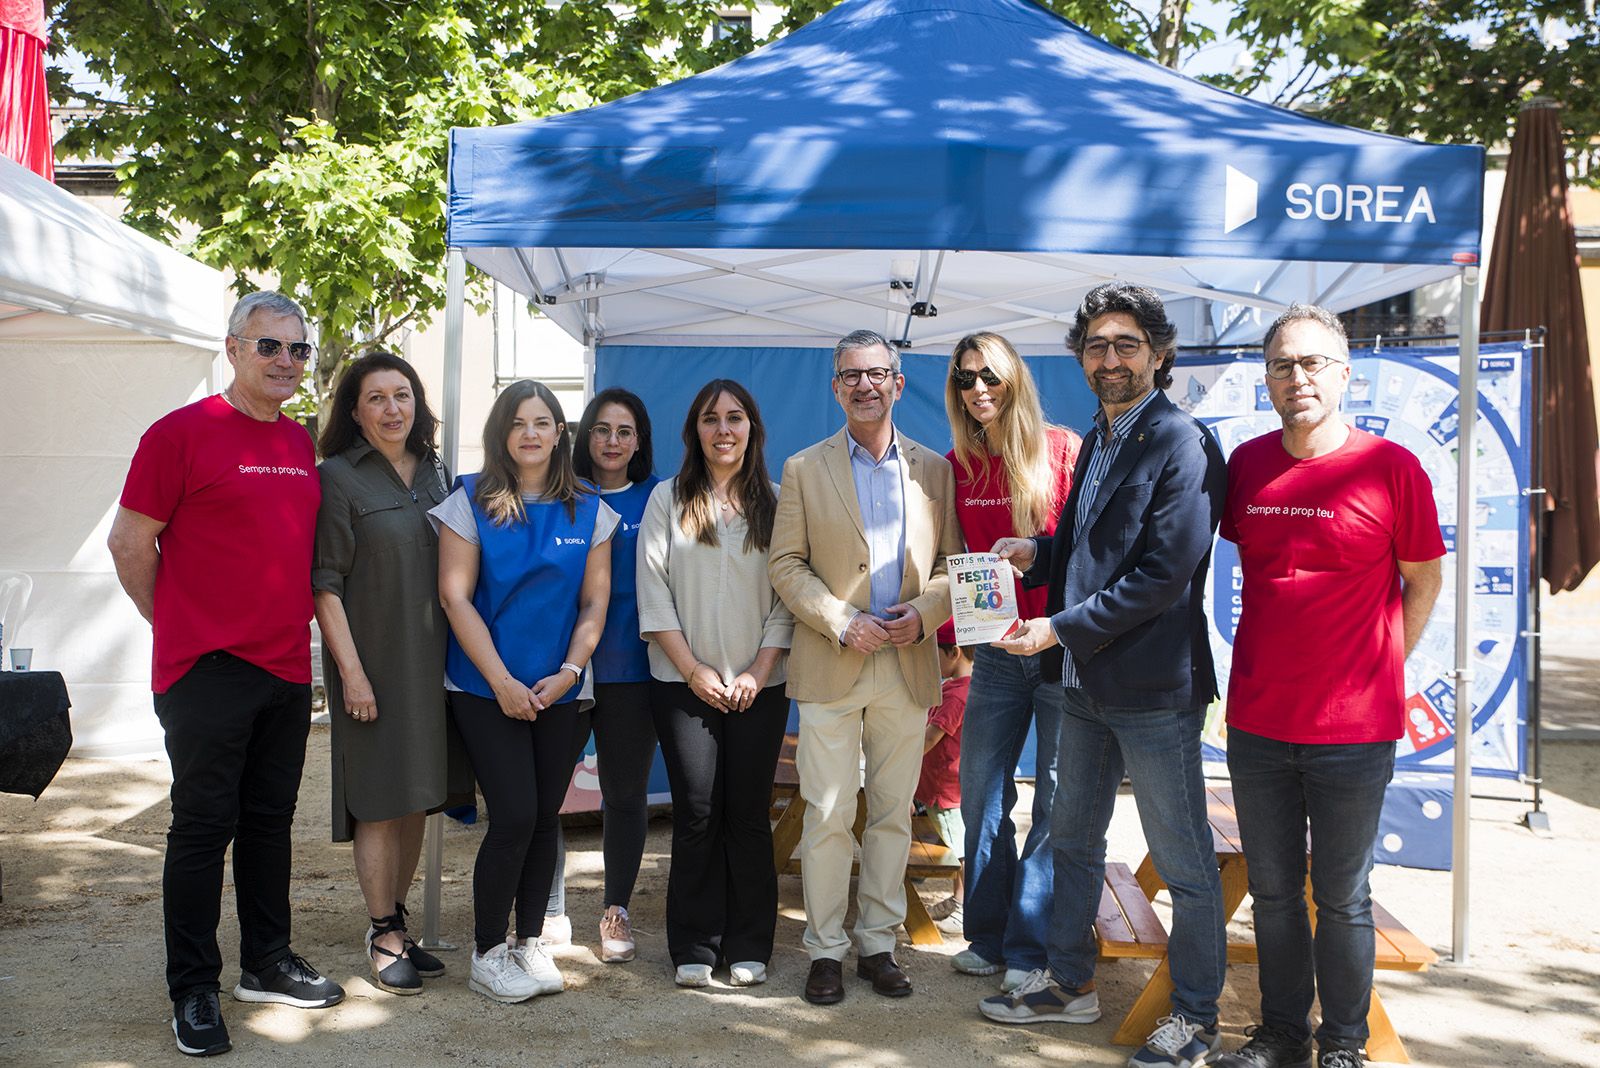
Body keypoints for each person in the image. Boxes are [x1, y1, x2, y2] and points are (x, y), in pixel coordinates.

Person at [987, 282, 1228, 1068]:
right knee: (1072, 844)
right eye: (1097, 345)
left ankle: (1194, 1019)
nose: (1111, 358)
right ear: (1082, 359)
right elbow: (1100, 546)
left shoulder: (1181, 441)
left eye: (1127, 344)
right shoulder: (1101, 434)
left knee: (1186, 862)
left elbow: (1162, 574)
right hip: (1082, 682)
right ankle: (1068, 983)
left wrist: (1055, 625)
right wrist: (1041, 552)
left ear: (1159, 354)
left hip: (1152, 689)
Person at [108, 290, 344, 1058]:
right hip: (206, 668)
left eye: (297, 349)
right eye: (269, 346)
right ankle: (194, 989)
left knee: (270, 824)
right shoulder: (181, 434)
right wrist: (175, 623)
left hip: (282, 667)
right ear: (234, 348)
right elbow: (129, 544)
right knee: (203, 829)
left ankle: (267, 964)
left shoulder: (302, 444)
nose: (285, 361)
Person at [1214, 306, 1444, 1068]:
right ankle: (1283, 1034)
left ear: (1346, 373)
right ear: (1267, 379)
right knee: (1275, 896)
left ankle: (1344, 1045)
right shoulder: (1245, 466)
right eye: (1283, 365)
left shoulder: (1392, 468)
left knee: (1342, 896)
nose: (1298, 377)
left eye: (1313, 363)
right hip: (1257, 722)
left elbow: (1423, 581)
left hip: (1353, 730)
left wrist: (1381, 665)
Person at [769, 328, 963, 1005]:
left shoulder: (935, 470)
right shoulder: (802, 468)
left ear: (898, 384)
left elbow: (951, 570)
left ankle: (878, 944)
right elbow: (784, 564)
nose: (865, 385)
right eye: (851, 375)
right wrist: (840, 620)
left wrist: (926, 612)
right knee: (825, 813)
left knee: (890, 816)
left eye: (877, 373)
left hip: (907, 664)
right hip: (833, 659)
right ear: (835, 387)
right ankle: (824, 949)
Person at [430, 380, 614, 1005]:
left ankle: (528, 941)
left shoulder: (591, 507)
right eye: (518, 423)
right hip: (485, 689)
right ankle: (486, 953)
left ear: (560, 432)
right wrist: (501, 682)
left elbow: (595, 601)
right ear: (500, 434)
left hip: (562, 687)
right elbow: (455, 596)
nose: (531, 433)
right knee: (511, 816)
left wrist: (569, 671)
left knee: (542, 818)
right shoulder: (469, 500)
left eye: (543, 422)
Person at [637, 378, 794, 988]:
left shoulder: (779, 503)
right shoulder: (665, 501)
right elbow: (654, 595)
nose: (723, 429)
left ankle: (751, 942)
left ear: (752, 427)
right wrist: (694, 669)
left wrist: (758, 671)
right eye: (710, 418)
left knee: (749, 813)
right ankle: (695, 946)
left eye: (734, 418)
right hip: (681, 685)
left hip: (763, 683)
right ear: (694, 430)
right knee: (699, 812)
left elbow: (788, 594)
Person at [312, 351, 460, 995]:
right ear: (355, 411)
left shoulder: (435, 470)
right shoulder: (336, 478)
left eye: (402, 395)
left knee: (418, 797)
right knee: (377, 800)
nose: (392, 409)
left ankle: (398, 920)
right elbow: (325, 585)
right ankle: (381, 932)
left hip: (435, 663)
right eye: (376, 398)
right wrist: (352, 674)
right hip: (371, 661)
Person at [939, 331, 1081, 991]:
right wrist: (955, 637)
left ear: (1014, 378)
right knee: (981, 795)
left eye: (990, 376)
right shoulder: (956, 463)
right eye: (966, 379)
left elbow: (1088, 552)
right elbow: (954, 564)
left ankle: (1030, 945)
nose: (978, 390)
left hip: (1056, 650)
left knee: (1054, 801)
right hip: (996, 655)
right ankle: (988, 936)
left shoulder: (1062, 449)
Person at [542, 388, 661, 962]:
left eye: (625, 432)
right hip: (562, 670)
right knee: (544, 793)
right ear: (583, 436)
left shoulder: (659, 499)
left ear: (639, 442)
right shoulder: (559, 497)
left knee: (624, 794)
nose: (612, 442)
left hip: (633, 673)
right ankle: (549, 908)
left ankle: (616, 909)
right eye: (601, 430)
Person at [915, 621, 972, 933]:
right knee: (954, 846)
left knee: (960, 851)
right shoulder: (956, 689)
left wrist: (900, 756)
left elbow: (929, 739)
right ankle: (958, 899)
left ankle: (964, 908)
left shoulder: (956, 695)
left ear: (955, 652)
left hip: (946, 790)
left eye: (934, 653)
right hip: (942, 787)